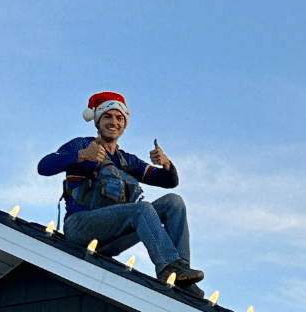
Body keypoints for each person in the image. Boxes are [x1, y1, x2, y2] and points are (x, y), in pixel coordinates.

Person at [38, 91, 204, 292]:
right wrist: (80, 156)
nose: (113, 122)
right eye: (107, 116)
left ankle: (181, 273)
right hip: (80, 227)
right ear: (97, 121)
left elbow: (168, 182)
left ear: (124, 124)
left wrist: (167, 164)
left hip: (111, 239)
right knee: (141, 209)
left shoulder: (128, 161)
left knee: (174, 202)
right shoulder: (81, 145)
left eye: (119, 118)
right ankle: (168, 266)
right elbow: (44, 166)